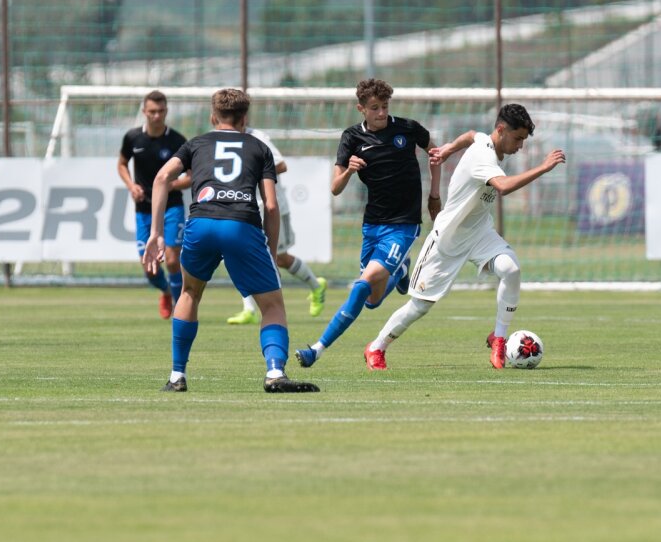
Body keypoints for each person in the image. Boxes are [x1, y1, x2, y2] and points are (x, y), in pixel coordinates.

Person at [364, 103, 566, 371]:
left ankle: (499, 338)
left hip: (480, 232)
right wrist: (543, 168)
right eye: (518, 138)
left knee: (511, 269)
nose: (520, 146)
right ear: (501, 130)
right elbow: (503, 187)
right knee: (419, 307)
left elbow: (472, 134)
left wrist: (448, 148)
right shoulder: (484, 157)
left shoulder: (485, 141)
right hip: (448, 239)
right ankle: (376, 347)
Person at [143, 88, 319, 393]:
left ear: (213, 116)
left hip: (200, 225)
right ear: (244, 117)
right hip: (241, 225)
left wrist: (155, 234)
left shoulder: (195, 144)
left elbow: (161, 179)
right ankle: (275, 372)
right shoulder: (258, 147)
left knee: (189, 294)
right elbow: (272, 206)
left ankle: (176, 376)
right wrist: (270, 250)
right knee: (273, 305)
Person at [294, 78, 444, 368]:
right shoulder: (351, 138)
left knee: (361, 287)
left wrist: (434, 196)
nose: (381, 113)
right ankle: (401, 271)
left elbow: (436, 154)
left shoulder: (408, 129)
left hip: (404, 225)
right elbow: (335, 187)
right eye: (374, 108)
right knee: (372, 300)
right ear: (360, 108)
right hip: (373, 225)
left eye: (385, 106)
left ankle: (317, 349)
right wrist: (349, 170)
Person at [227, 125, 327, 325]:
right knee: (241, 254)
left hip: (273, 207)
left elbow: (281, 165)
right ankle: (249, 310)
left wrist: (251, 172)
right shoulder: (225, 140)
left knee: (279, 258)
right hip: (247, 207)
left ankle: (316, 286)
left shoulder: (258, 137)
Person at [118, 90, 189, 318]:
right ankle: (166, 291)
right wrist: (131, 185)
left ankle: (181, 309)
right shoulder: (133, 138)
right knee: (149, 267)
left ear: (166, 111)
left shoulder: (178, 141)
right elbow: (121, 164)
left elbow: (191, 177)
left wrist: (170, 186)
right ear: (144, 112)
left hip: (172, 206)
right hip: (143, 209)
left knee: (171, 259)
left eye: (161, 111)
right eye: (152, 112)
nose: (156, 116)